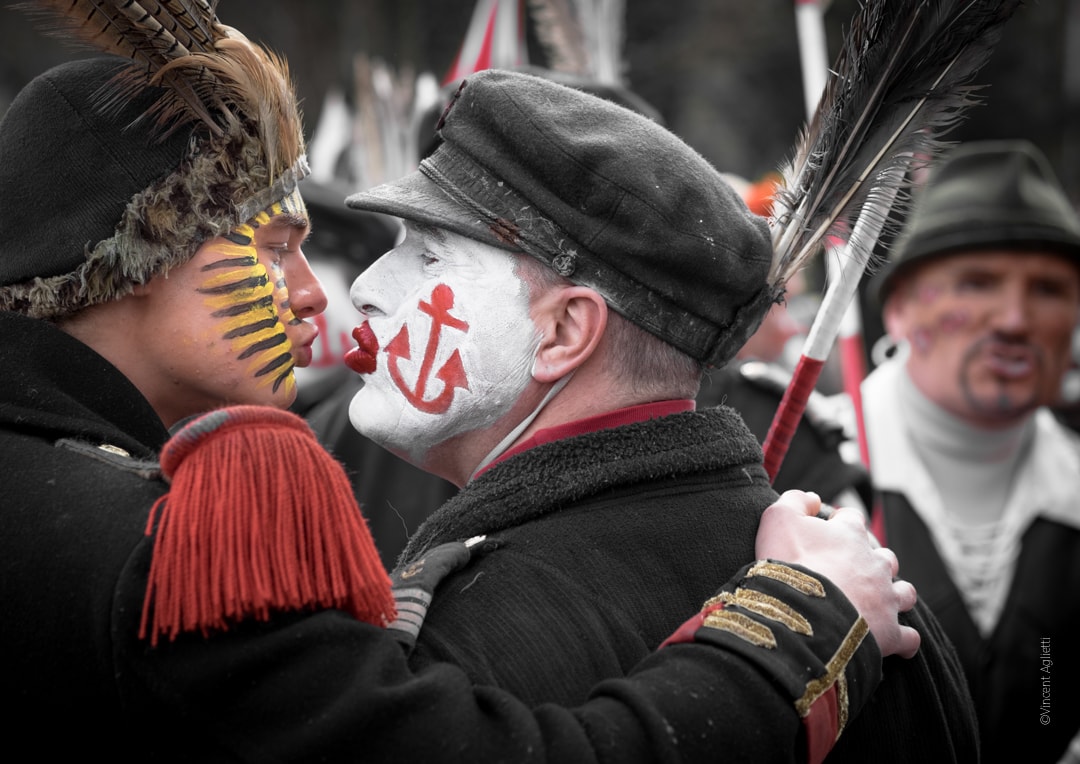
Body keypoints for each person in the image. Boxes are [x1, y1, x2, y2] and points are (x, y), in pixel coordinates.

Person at [0, 16, 915, 764]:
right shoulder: (141, 541)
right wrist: (800, 619)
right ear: (130, 262)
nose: (336, 290)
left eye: (425, 253)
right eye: (275, 246)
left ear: (565, 331)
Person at [344, 68, 976, 761]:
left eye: (428, 253)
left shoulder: (468, 634)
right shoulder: (873, 599)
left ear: (562, 333)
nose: (366, 288)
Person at [864, 139, 1080, 764]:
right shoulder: (800, 473)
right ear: (900, 310)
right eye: (977, 283)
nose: (1014, 318)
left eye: (1047, 289)